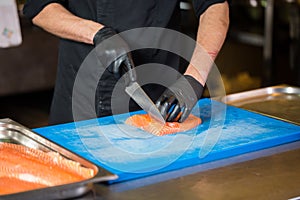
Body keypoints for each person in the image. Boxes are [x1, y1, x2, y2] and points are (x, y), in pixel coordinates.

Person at [23, 0, 229, 125]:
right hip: (81, 93)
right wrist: (98, 34)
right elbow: (40, 8)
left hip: (160, 98)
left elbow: (215, 7)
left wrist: (194, 77)